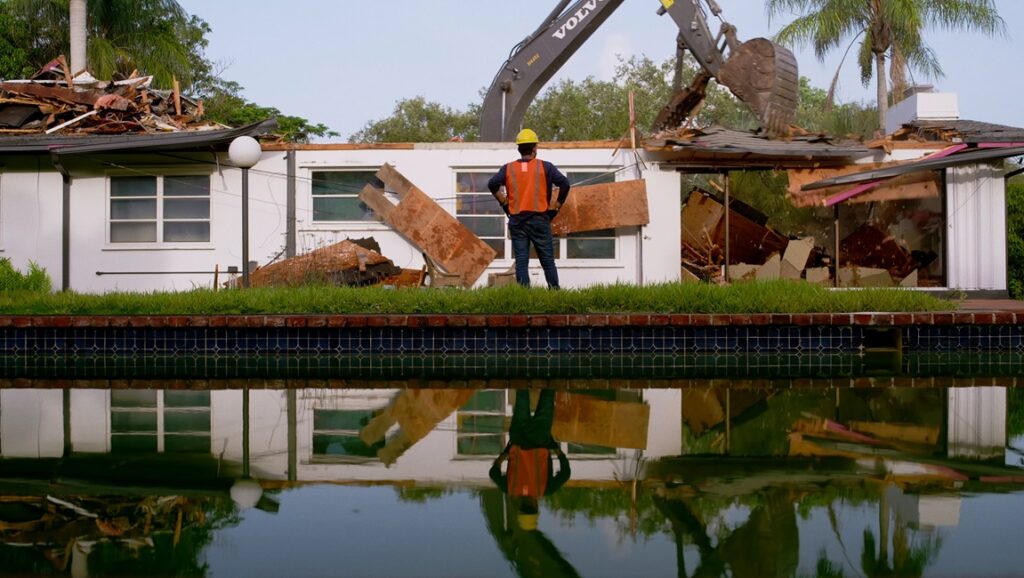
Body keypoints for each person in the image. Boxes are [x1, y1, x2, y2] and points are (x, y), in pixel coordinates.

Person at [488, 129, 571, 288]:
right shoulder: (546, 167)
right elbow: (565, 184)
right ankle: (554, 293)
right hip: (540, 220)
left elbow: (492, 184)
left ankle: (525, 295)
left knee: (521, 261)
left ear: (519, 149)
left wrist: (504, 203)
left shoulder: (508, 168)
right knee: (547, 261)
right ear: (535, 148)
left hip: (517, 222)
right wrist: (556, 207)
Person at [489, 389, 571, 533]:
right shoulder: (509, 489)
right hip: (518, 438)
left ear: (536, 508)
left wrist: (557, 451)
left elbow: (565, 474)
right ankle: (522, 367)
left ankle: (549, 368)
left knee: (547, 396)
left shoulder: (546, 489)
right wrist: (505, 454)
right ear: (520, 508)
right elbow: (493, 473)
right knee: (522, 396)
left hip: (540, 438)